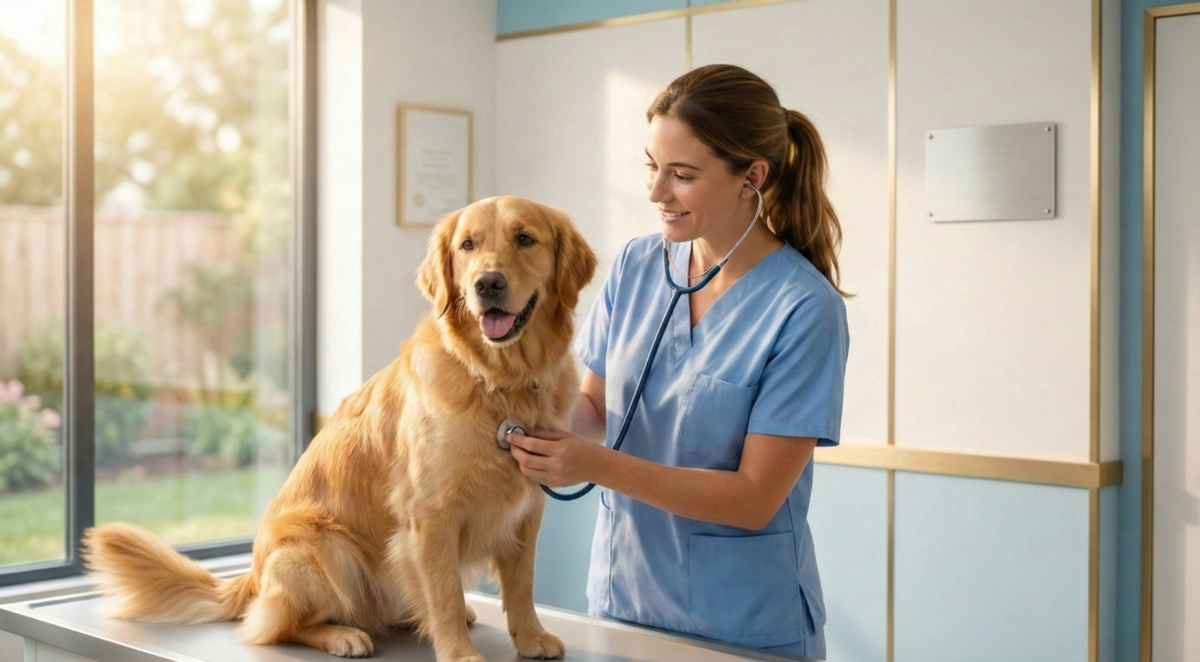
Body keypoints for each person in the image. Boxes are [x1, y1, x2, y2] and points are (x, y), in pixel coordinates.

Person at [506, 63, 850, 661]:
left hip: (741, 623)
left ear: (753, 177)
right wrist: (542, 439)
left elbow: (754, 497)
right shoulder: (638, 266)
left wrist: (594, 464)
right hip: (623, 602)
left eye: (682, 175)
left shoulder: (803, 308)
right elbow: (592, 406)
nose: (655, 192)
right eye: (652, 167)